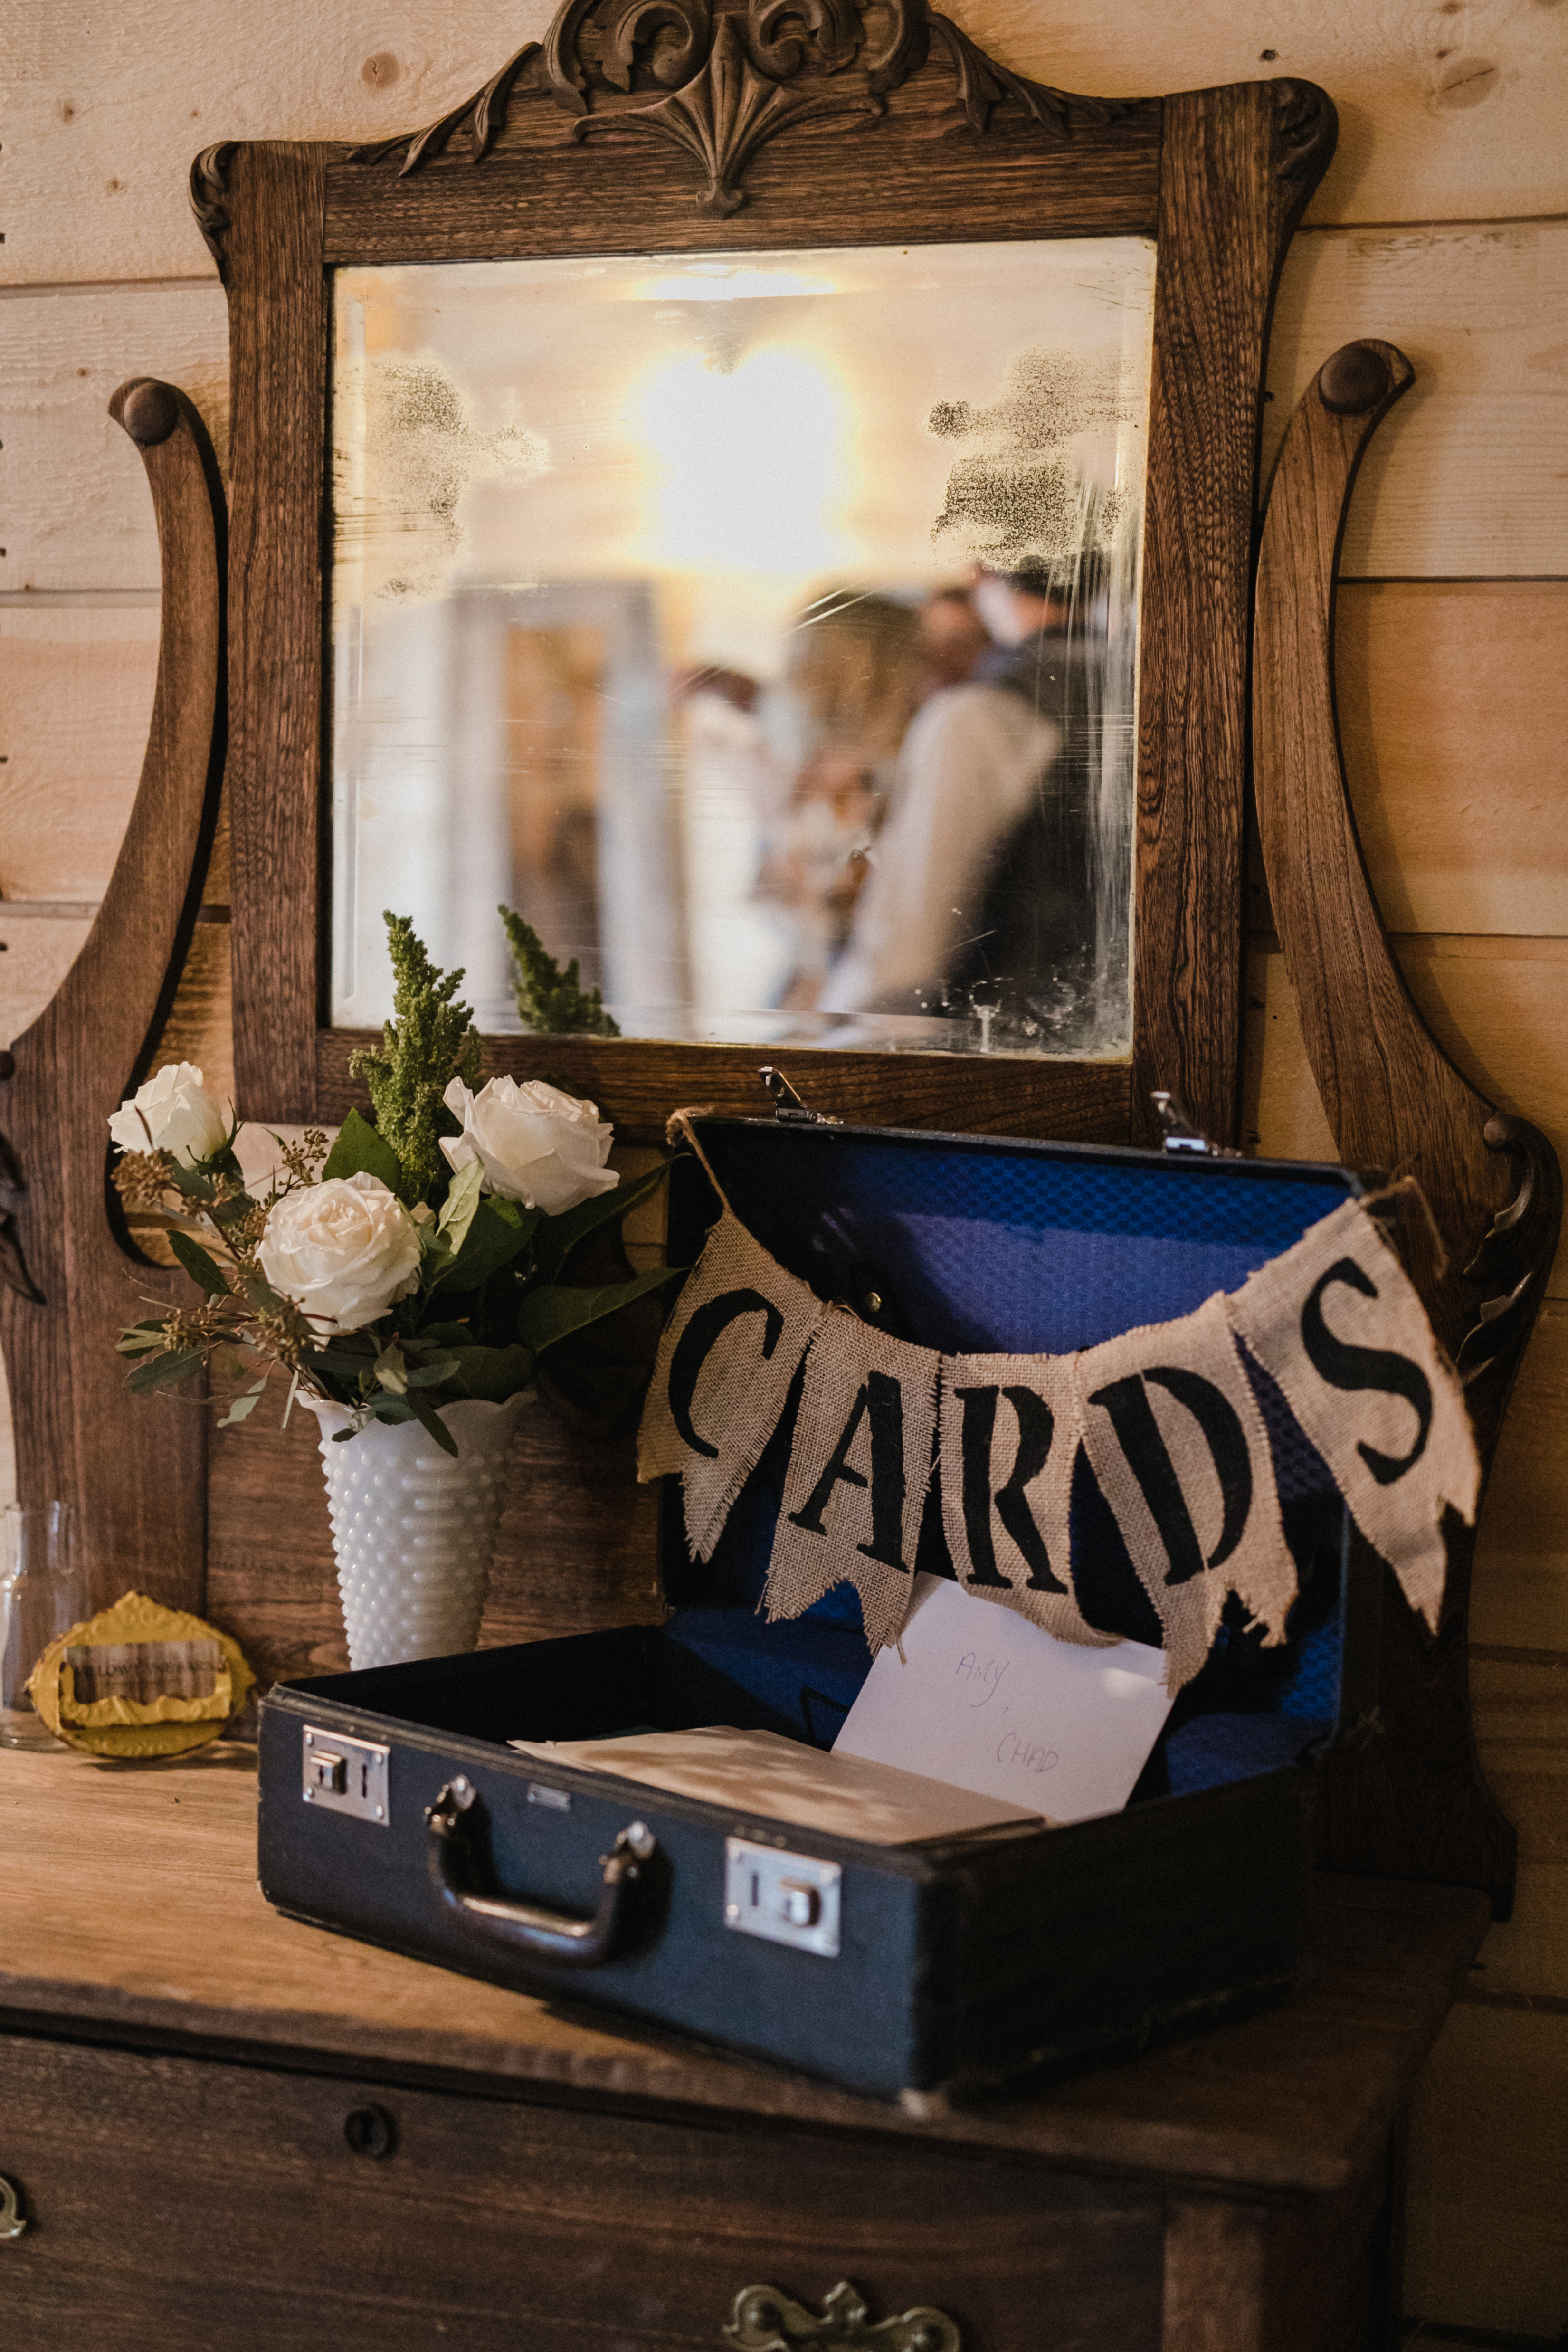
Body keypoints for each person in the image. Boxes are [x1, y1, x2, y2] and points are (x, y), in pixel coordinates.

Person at [820, 558, 1104, 1027]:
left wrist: (825, 1041)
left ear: (978, 573)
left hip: (1007, 1041)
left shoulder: (978, 717)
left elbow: (905, 958)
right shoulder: (1150, 690)